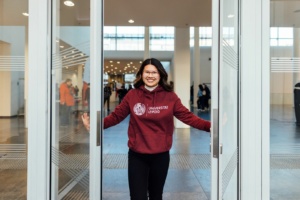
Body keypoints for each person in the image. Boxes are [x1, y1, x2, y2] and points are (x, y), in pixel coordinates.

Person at [82, 58, 211, 200]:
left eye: (154, 72)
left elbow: (189, 117)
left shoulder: (170, 97)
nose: (150, 75)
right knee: (137, 197)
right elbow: (116, 116)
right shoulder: (133, 95)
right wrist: (96, 125)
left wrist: (211, 127)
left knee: (156, 196)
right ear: (141, 74)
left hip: (161, 157)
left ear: (160, 74)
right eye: (147, 72)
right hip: (137, 156)